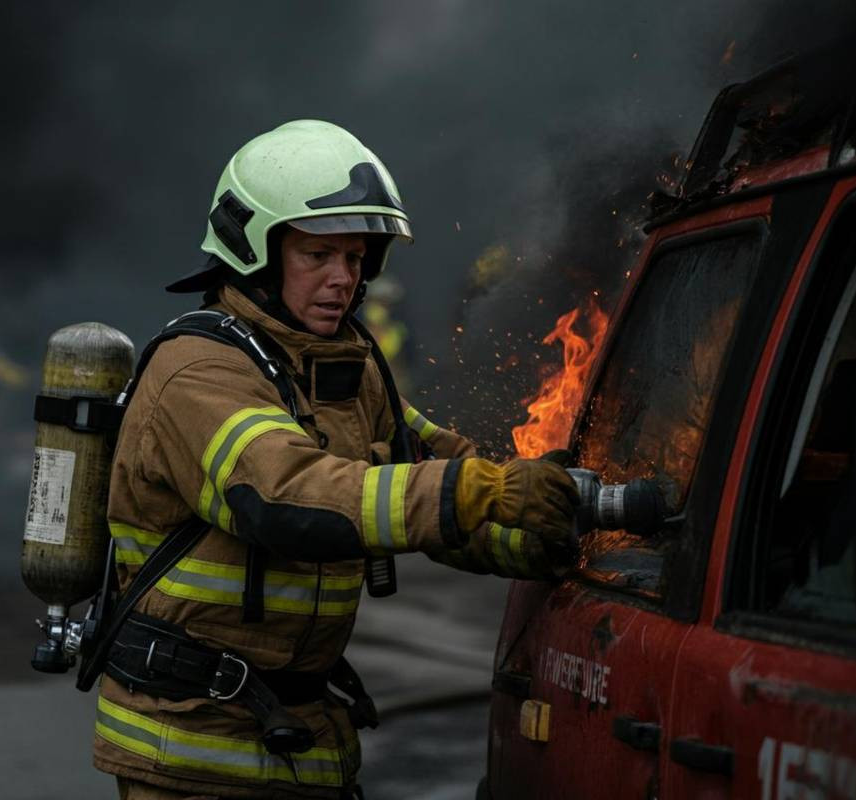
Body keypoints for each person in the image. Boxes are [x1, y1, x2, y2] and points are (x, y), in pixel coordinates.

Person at [95, 120, 579, 800]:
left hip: (301, 742)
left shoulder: (345, 368)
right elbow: (286, 496)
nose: (343, 280)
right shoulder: (196, 372)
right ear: (255, 253)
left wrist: (551, 531)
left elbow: (436, 476)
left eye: (355, 258)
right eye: (318, 254)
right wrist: (481, 490)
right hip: (195, 752)